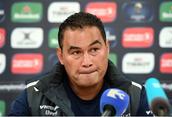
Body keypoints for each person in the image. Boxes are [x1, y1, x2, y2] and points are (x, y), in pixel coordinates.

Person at [9, 12, 153, 116]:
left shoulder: (135, 95)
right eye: (76, 52)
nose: (87, 62)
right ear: (61, 56)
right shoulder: (34, 95)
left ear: (107, 49)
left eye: (94, 50)